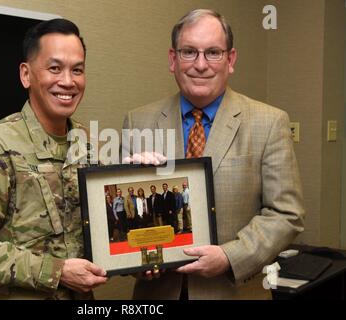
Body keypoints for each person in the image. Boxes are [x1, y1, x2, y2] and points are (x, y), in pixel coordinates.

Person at [123, 9, 304, 299]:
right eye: (189, 52)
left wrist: (230, 256)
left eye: (213, 53)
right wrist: (137, 259)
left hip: (232, 292)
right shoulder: (138, 122)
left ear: (230, 60)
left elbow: (286, 214)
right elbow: (129, 215)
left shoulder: (269, 122)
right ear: (173, 59)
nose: (201, 64)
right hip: (156, 294)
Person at [0, 19, 108, 300]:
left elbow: (104, 231)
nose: (68, 81)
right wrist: (56, 272)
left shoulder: (89, 144)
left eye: (77, 70)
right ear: (26, 74)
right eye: (54, 68)